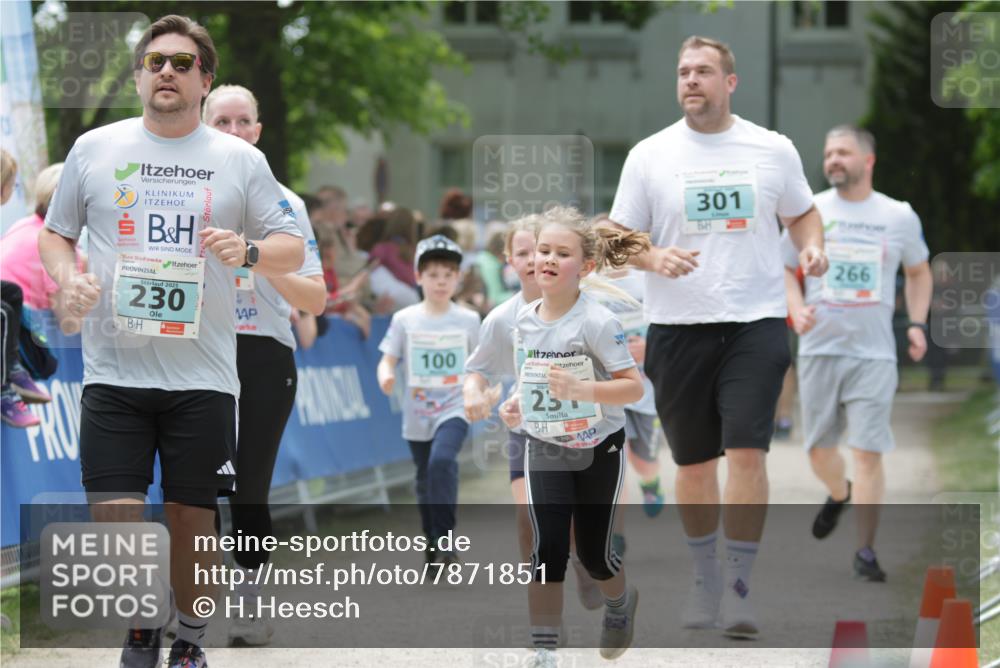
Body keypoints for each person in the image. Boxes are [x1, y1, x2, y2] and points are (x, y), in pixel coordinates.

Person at [38, 15, 304, 668]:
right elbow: (54, 232)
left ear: (204, 80)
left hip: (204, 378)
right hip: (113, 372)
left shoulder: (240, 160)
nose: (166, 71)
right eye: (155, 60)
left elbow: (291, 248)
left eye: (182, 63)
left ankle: (188, 636)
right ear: (137, 74)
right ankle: (141, 626)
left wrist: (245, 249)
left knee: (192, 524)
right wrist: (69, 279)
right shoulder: (96, 148)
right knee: (117, 519)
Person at [608, 35, 828, 638]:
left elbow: (803, 210)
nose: (691, 81)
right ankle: (704, 577)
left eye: (703, 71)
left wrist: (811, 246)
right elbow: (611, 237)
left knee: (750, 452)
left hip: (755, 322)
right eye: (683, 72)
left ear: (730, 82)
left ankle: (737, 589)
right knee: (696, 465)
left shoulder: (771, 148)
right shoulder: (650, 155)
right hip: (678, 329)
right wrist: (651, 259)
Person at [497, 206, 648, 666]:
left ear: (583, 267)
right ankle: (544, 652)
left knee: (596, 555)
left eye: (561, 253)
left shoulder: (597, 322)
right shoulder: (523, 317)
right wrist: (517, 402)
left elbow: (633, 386)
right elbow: (531, 374)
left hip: (599, 446)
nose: (546, 259)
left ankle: (620, 604)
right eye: (543, 249)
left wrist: (584, 390)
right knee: (547, 548)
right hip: (546, 444)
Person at [202, 84, 326, 645]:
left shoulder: (286, 204)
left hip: (262, 352)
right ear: (204, 125)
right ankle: (193, 608)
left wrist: (256, 254)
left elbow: (316, 300)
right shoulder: (185, 191)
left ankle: (249, 606)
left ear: (258, 130)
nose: (232, 131)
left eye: (241, 121)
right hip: (195, 352)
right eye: (220, 121)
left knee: (249, 487)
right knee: (194, 489)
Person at [783, 125, 932, 581]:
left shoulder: (897, 215)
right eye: (828, 153)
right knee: (819, 452)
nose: (833, 160)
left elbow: (920, 272)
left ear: (868, 161)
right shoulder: (810, 212)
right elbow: (787, 271)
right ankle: (839, 492)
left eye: (843, 153)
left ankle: (865, 551)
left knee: (867, 451)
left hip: (874, 353)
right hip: (820, 348)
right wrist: (796, 309)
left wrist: (918, 324)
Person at [376, 234, 481, 565]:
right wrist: (386, 376)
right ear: (418, 277)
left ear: (458, 278)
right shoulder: (405, 319)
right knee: (424, 478)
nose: (441, 282)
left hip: (454, 407)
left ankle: (445, 538)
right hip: (417, 412)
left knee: (442, 462)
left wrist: (480, 390)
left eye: (448, 275)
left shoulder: (468, 319)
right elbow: (388, 358)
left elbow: (480, 364)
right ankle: (432, 542)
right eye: (433, 275)